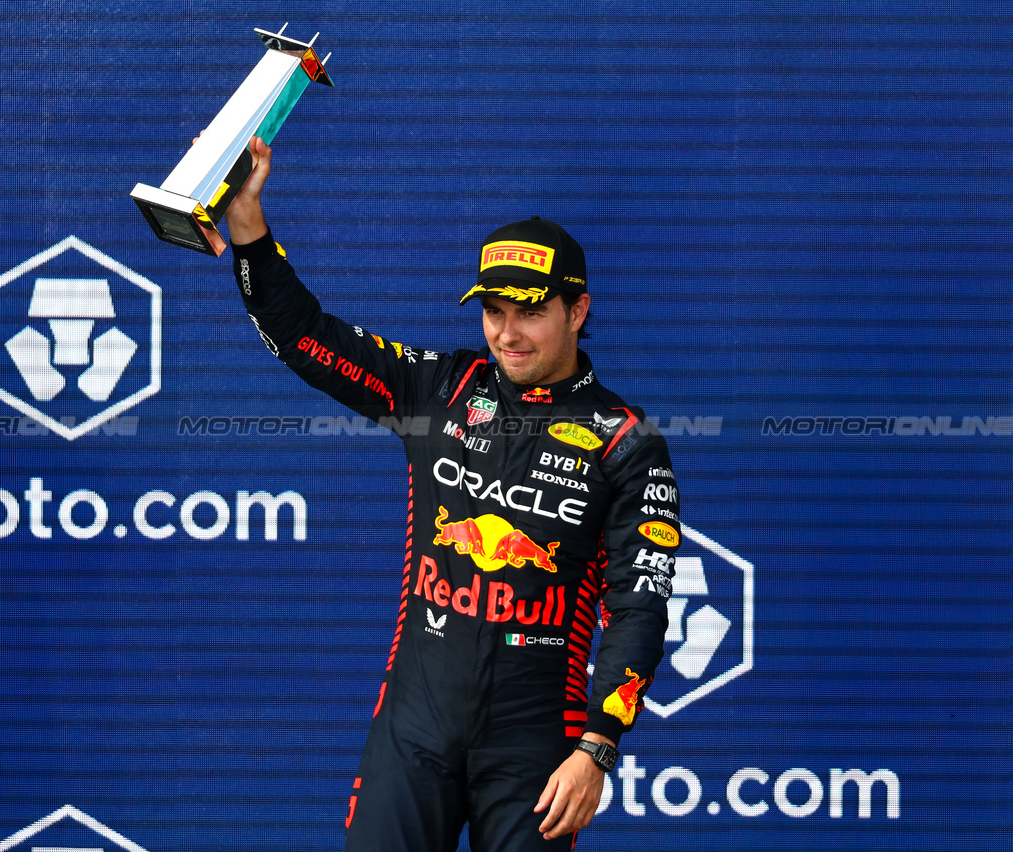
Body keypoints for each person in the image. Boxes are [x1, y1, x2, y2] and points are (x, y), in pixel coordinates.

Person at [226, 137, 680, 851]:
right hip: (414, 728)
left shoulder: (626, 441)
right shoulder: (439, 388)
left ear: (578, 309)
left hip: (537, 748)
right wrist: (248, 226)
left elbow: (640, 607)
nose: (507, 333)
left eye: (529, 312)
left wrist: (597, 746)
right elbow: (303, 335)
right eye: (492, 311)